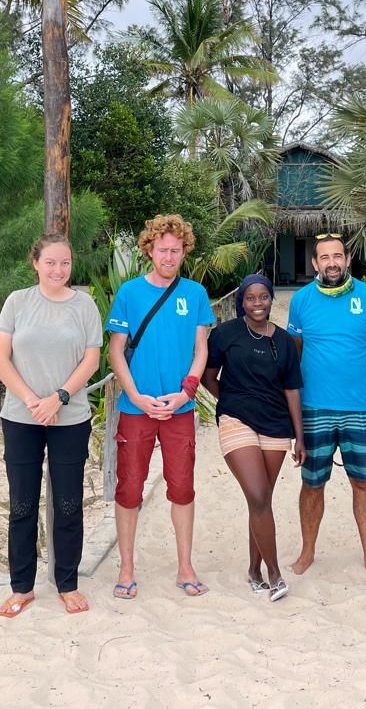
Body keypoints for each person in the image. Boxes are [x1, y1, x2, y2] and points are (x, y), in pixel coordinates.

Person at [0, 234, 103, 617]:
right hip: (22, 418)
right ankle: (21, 587)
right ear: (35, 263)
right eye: (51, 262)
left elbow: (91, 360)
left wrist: (59, 398)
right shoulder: (17, 302)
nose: (59, 270)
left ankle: (67, 583)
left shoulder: (84, 305)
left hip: (69, 417)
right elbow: (0, 359)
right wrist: (32, 401)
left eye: (65, 263)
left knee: (68, 503)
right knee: (22, 504)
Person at [107, 214, 215, 599]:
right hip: (138, 409)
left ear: (184, 250)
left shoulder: (196, 294)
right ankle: (127, 567)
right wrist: (135, 396)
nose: (169, 257)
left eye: (176, 250)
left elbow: (201, 349)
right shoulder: (130, 293)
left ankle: (185, 566)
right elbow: (115, 350)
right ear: (149, 250)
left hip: (179, 409)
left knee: (182, 489)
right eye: (162, 249)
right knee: (130, 488)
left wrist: (186, 393)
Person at [287, 234, 366, 577]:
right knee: (312, 482)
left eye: (337, 256)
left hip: (360, 406)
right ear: (315, 263)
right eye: (324, 257)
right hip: (314, 406)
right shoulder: (301, 301)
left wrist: (355, 378)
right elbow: (294, 352)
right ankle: (307, 552)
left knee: (364, 482)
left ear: (347, 259)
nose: (332, 262)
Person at [201, 274, 305, 602]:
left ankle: (253, 570)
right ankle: (275, 575)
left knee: (259, 502)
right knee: (259, 495)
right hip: (237, 420)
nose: (257, 304)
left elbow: (292, 389)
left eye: (263, 297)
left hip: (276, 425)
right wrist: (230, 399)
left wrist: (299, 436)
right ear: (241, 302)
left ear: (271, 299)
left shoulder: (285, 341)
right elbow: (208, 376)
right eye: (250, 298)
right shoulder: (225, 334)